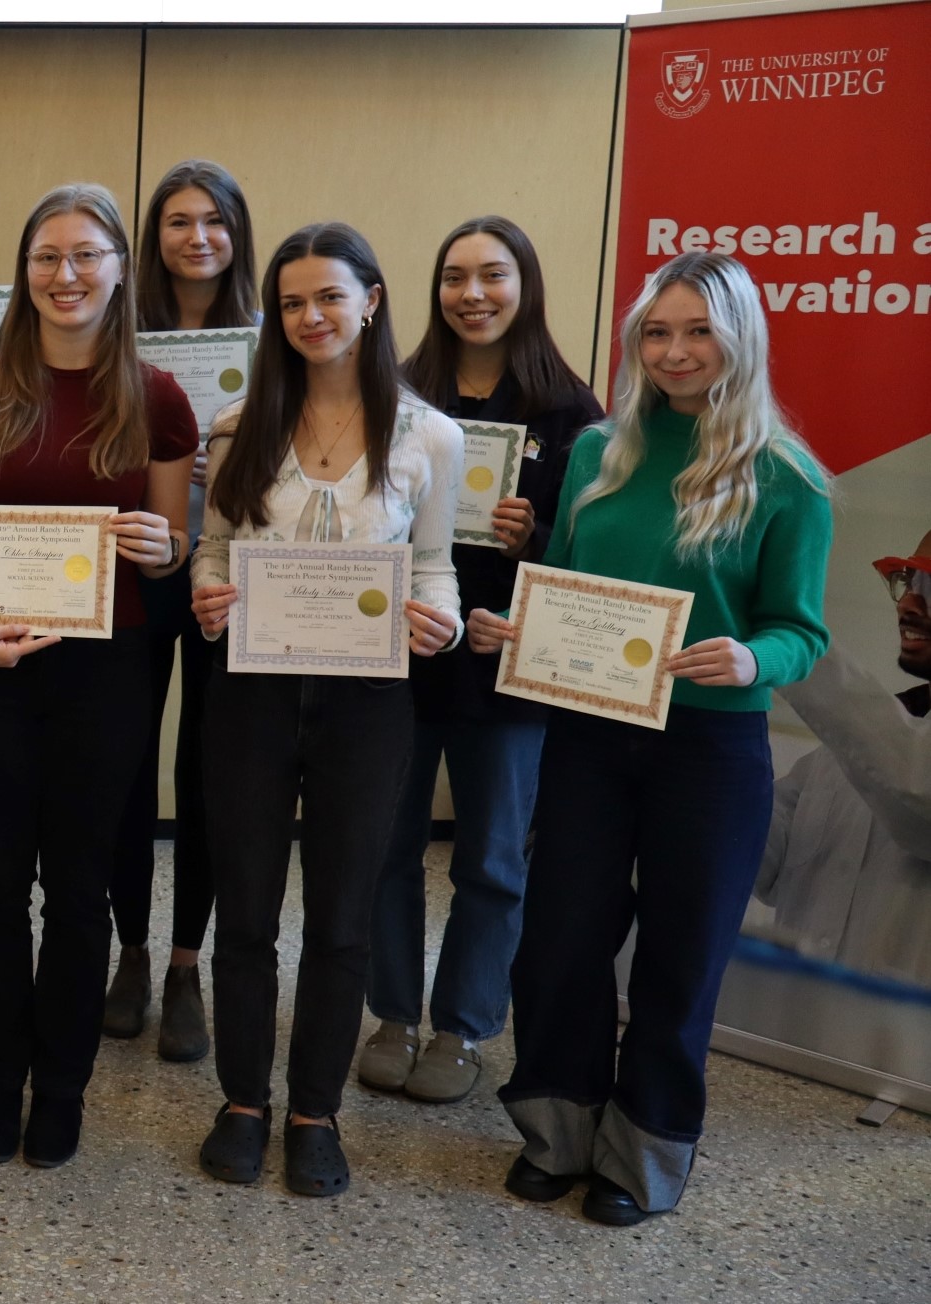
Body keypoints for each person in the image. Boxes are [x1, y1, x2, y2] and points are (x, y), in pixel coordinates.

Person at [477, 251, 832, 1225]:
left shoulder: (788, 478)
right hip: (591, 737)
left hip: (711, 754)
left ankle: (643, 1155)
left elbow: (802, 630)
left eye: (698, 332)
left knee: (679, 964)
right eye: (657, 333)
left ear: (740, 339)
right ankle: (558, 1129)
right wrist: (521, 630)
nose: (674, 352)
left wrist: (752, 660)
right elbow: (563, 584)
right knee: (559, 945)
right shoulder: (599, 453)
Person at [188, 222, 464, 1197]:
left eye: (330, 297)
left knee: (342, 914)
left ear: (373, 300)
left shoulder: (430, 434)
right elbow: (214, 548)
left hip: (367, 704)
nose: (311, 317)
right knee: (250, 910)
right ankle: (243, 1102)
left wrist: (444, 619)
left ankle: (314, 1112)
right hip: (252, 694)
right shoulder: (236, 424)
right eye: (293, 301)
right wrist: (207, 591)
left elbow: (433, 567)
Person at [0, 184, 195, 1168]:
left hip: (108, 670)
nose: (67, 273)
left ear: (122, 268)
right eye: (47, 255)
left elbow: (167, 550)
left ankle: (64, 1087)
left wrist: (165, 543)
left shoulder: (158, 397)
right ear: (24, 268)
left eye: (88, 254)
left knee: (79, 890)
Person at [356, 216, 605, 1104]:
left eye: (492, 276)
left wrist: (533, 536)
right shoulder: (394, 390)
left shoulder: (574, 413)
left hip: (507, 665)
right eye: (455, 277)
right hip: (400, 650)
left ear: (524, 285)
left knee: (493, 857)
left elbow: (594, 560)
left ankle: (462, 1026)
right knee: (386, 847)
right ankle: (392, 1012)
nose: (472, 294)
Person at [105, 159, 260, 1055]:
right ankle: (129, 948)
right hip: (135, 572)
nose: (195, 237)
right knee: (124, 765)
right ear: (150, 238)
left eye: (213, 220)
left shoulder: (271, 341)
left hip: (230, 581)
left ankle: (185, 962)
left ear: (237, 233)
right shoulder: (116, 335)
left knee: (211, 774)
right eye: (175, 221)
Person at [755, 538, 931, 987]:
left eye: (929, 585)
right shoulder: (842, 755)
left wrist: (794, 644)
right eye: (907, 580)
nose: (909, 602)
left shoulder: (887, 750)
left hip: (898, 1052)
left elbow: (918, 802)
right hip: (788, 1036)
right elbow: (757, 861)